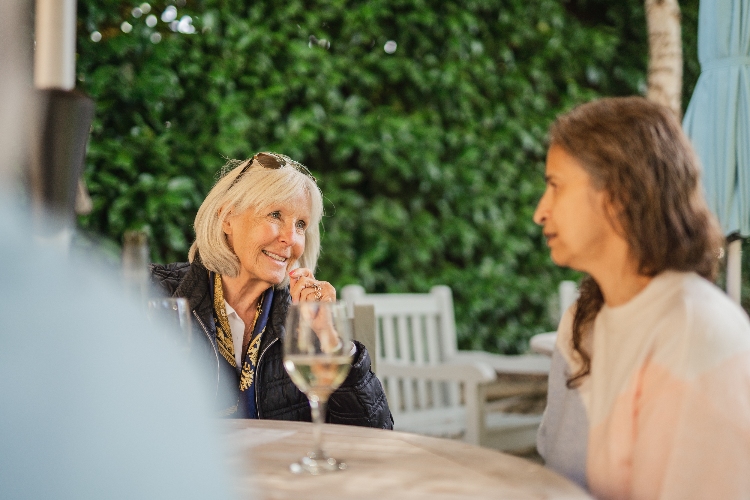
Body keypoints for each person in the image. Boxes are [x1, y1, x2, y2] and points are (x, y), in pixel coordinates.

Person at [533, 96, 750, 499]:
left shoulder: (692, 330)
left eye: (556, 186)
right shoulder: (606, 315)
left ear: (617, 194)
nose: (540, 212)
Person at [150, 152, 393, 427]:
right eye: (275, 215)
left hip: (278, 468)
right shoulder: (155, 293)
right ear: (227, 218)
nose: (290, 238)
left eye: (300, 224)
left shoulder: (302, 316)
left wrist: (329, 338)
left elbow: (374, 432)